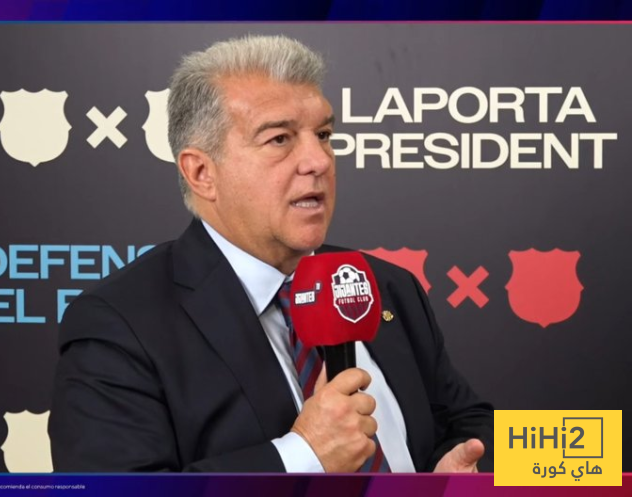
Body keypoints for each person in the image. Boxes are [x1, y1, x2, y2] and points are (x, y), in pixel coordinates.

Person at [49, 34, 493, 473]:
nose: (319, 160)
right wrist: (303, 456)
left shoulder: (386, 284)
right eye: (280, 139)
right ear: (201, 172)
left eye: (323, 134)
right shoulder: (120, 325)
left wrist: (472, 474)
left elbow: (472, 423)